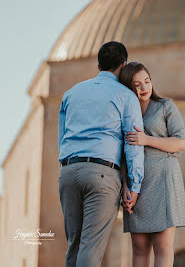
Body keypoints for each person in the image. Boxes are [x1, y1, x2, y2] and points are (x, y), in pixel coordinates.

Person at [58, 41, 144, 267]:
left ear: (98, 66)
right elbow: (133, 141)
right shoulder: (127, 96)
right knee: (91, 248)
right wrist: (134, 185)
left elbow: (62, 136)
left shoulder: (71, 94)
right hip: (102, 174)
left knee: (73, 245)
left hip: (68, 171)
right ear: (123, 65)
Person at [119, 62, 185, 267]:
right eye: (137, 84)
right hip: (135, 184)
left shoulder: (166, 106)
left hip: (164, 181)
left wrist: (146, 139)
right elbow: (121, 153)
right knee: (139, 249)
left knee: (163, 247)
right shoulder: (125, 113)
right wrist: (125, 185)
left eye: (147, 81)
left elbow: (180, 142)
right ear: (128, 87)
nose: (144, 88)